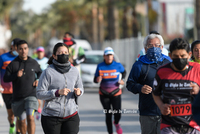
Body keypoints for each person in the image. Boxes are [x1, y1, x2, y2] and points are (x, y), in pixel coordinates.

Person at [126, 33, 171, 134]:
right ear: (145, 48)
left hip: (166, 112)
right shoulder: (139, 64)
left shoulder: (169, 63)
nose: (154, 48)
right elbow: (129, 84)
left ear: (162, 47)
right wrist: (140, 88)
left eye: (157, 45)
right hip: (147, 112)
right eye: (150, 45)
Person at [152, 38, 200, 134]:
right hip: (169, 126)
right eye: (176, 56)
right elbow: (155, 93)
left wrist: (199, 90)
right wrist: (161, 106)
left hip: (194, 126)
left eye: (183, 56)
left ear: (189, 55)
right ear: (170, 56)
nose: (180, 59)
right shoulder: (161, 72)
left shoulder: (198, 69)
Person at [36, 42, 84, 134]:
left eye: (66, 52)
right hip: (51, 117)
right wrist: (57, 92)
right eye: (61, 53)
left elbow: (80, 87)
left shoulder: (74, 71)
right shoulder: (48, 72)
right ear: (54, 56)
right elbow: (39, 94)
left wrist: (79, 92)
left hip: (71, 115)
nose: (64, 54)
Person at [3, 40, 42, 134]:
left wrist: (38, 80)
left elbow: (40, 72)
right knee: (21, 121)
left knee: (30, 117)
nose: (23, 51)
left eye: (25, 48)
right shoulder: (13, 64)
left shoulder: (33, 62)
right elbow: (6, 79)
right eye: (20, 49)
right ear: (17, 50)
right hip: (18, 97)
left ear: (28, 49)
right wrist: (16, 75)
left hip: (31, 95)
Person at [94, 47, 126, 134]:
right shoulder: (100, 66)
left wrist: (122, 79)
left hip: (116, 93)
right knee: (108, 114)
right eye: (107, 55)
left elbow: (124, 72)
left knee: (117, 113)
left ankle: (116, 123)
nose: (109, 57)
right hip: (104, 93)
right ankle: (110, 132)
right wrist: (97, 79)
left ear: (113, 56)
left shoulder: (118, 65)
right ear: (104, 56)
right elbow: (95, 79)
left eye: (110, 55)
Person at [0, 38, 21, 134]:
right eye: (17, 47)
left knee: (19, 113)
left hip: (19, 90)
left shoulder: (22, 58)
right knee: (10, 113)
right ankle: (12, 125)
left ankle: (18, 130)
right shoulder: (3, 57)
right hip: (6, 90)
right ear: (12, 47)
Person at [34, 46, 49, 120]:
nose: (40, 54)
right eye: (39, 52)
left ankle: (42, 111)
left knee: (45, 99)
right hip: (38, 82)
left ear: (43, 53)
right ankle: (39, 110)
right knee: (38, 98)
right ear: (37, 53)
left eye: (41, 52)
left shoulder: (47, 61)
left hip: (46, 82)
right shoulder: (34, 61)